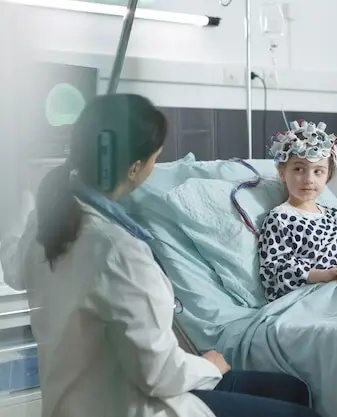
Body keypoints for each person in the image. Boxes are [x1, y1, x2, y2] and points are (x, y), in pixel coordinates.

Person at [1, 94, 320, 417]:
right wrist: (209, 366)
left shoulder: (46, 222)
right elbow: (158, 375)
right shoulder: (119, 251)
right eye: (155, 159)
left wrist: (19, 196)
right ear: (135, 168)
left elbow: (13, 268)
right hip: (133, 405)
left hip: (73, 401)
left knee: (292, 390)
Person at [258, 120, 337, 302]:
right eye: (299, 169)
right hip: (314, 298)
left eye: (318, 171)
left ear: (328, 176)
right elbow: (274, 272)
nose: (309, 179)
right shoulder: (280, 219)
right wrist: (323, 275)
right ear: (282, 172)